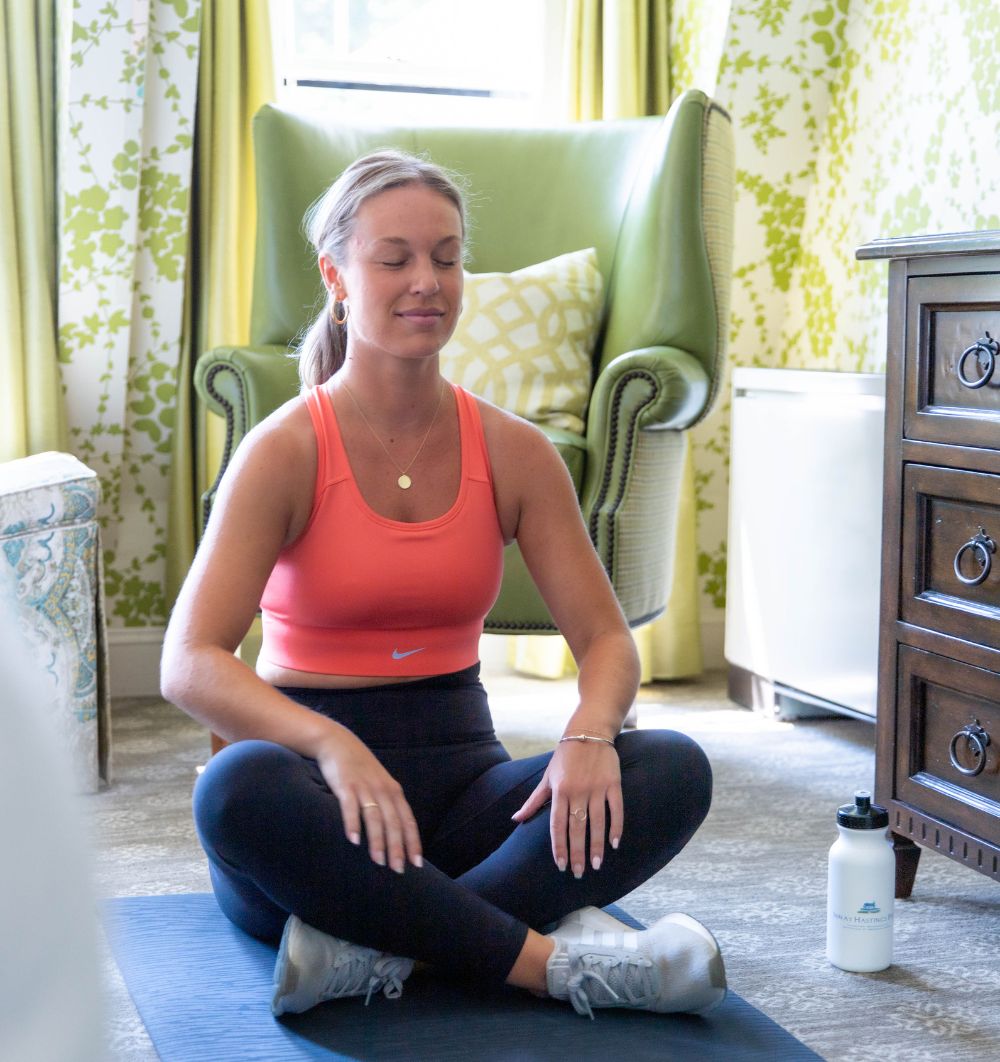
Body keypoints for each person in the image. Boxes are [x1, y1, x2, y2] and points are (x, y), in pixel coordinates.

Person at [161, 149, 724, 1022]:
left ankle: (379, 950)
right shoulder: (284, 448)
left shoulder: (515, 451)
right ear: (338, 275)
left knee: (669, 768)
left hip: (465, 796)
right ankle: (549, 964)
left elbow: (607, 640)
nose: (427, 281)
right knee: (235, 792)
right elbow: (190, 661)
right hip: (316, 808)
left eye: (447, 257)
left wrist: (588, 735)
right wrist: (330, 747)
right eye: (395, 259)